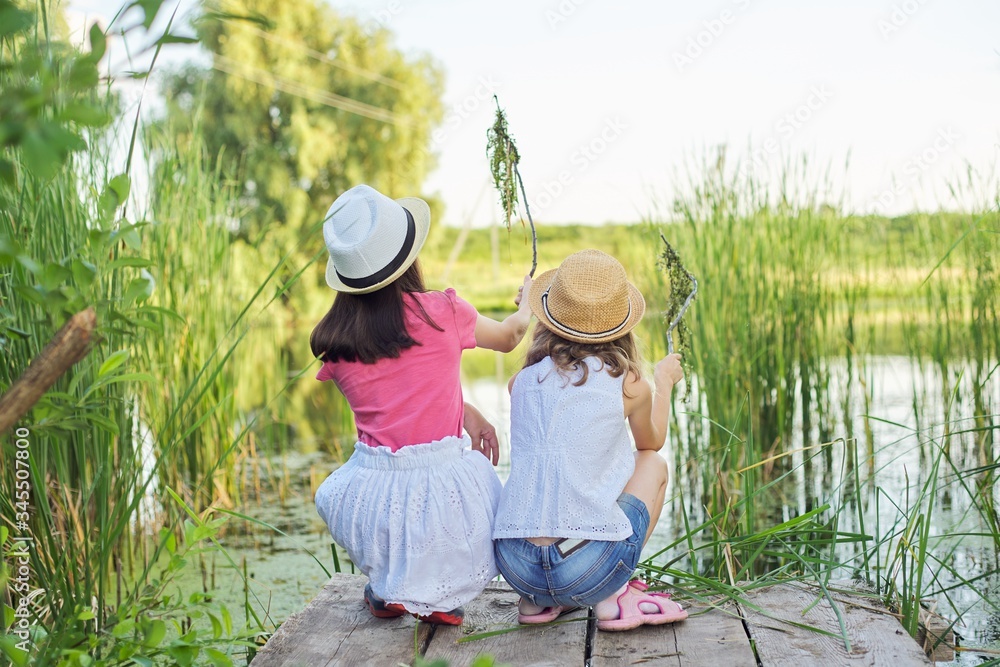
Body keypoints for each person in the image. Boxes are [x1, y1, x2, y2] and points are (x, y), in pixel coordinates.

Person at [311, 184, 532, 625]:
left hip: (372, 496)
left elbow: (398, 404)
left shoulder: (335, 344)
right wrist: (527, 303)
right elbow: (509, 337)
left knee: (381, 498)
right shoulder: (442, 312)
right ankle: (439, 597)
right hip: (445, 495)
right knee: (467, 484)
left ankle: (389, 586)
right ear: (408, 256)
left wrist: (464, 409)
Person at [493, 249, 688, 631]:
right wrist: (663, 382)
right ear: (621, 325)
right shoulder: (629, 383)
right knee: (653, 465)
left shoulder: (521, 383)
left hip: (516, 568)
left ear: (549, 320)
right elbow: (652, 443)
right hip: (585, 571)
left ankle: (536, 604)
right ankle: (613, 595)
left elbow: (554, 384)